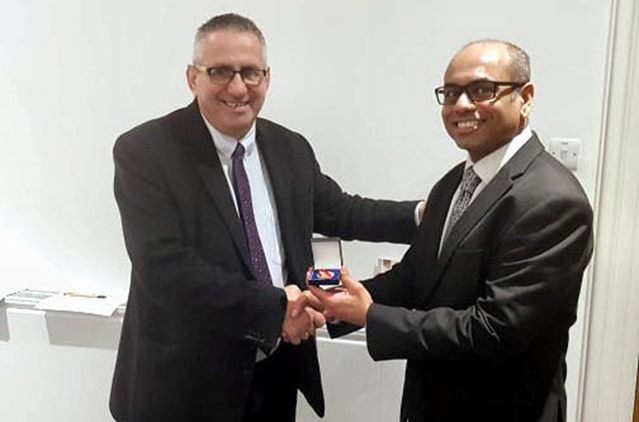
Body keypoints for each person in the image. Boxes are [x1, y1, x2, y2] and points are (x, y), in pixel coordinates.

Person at [109, 13, 422, 422]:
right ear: (192, 77)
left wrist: (423, 215)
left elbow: (342, 211)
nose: (238, 87)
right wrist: (275, 311)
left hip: (275, 371)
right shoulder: (146, 152)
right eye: (220, 71)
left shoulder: (289, 148)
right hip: (185, 385)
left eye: (250, 73)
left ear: (267, 78)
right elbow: (166, 270)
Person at [312, 39, 594, 422]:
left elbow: (496, 329)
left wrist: (372, 316)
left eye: (482, 90)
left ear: (525, 97)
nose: (462, 105)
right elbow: (415, 277)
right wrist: (331, 307)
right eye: (451, 93)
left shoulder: (552, 200)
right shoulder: (453, 184)